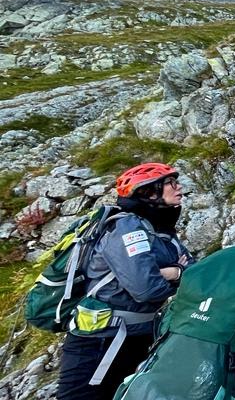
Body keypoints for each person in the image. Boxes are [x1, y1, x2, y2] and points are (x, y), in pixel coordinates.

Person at [57, 162, 194, 400]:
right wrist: (174, 272)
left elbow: (191, 269)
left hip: (134, 337)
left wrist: (172, 272)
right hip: (99, 343)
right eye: (171, 183)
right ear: (149, 192)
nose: (179, 187)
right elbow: (147, 288)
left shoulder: (160, 232)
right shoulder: (126, 227)